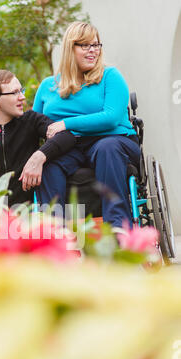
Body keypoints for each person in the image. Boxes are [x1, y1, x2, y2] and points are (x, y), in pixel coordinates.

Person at [32, 21, 141, 229]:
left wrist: (65, 123)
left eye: (96, 45)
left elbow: (111, 117)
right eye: (85, 45)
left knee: (106, 148)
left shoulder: (110, 76)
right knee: (48, 163)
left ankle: (118, 227)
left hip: (113, 141)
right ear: (69, 48)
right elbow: (34, 124)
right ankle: (55, 232)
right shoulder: (48, 86)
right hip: (67, 147)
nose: (93, 51)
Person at [0, 69, 76, 206]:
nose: (22, 97)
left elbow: (66, 136)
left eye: (21, 91)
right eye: (14, 93)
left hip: (29, 215)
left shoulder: (31, 121)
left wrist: (39, 156)